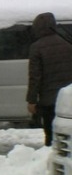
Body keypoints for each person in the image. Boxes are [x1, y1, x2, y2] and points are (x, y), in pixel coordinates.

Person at [26, 12, 72, 146]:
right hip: (67, 100)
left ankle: (50, 157)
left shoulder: (36, 47)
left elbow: (35, 76)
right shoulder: (67, 44)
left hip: (49, 100)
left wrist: (32, 100)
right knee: (66, 133)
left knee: (51, 134)